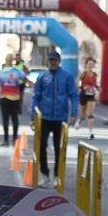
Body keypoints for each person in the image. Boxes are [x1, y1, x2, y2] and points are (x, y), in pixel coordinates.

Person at [30, 51, 78, 189]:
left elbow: (74, 95)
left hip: (60, 118)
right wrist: (33, 115)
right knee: (41, 146)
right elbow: (36, 96)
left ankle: (58, 176)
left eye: (55, 60)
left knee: (59, 148)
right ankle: (45, 175)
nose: (53, 62)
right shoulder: (43, 77)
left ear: (59, 61)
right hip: (44, 118)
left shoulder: (67, 77)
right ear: (48, 61)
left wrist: (74, 114)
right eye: (51, 60)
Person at [0, 53, 26, 145]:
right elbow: (24, 79)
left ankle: (6, 140)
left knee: (6, 119)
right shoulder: (17, 71)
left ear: (5, 60)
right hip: (14, 98)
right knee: (14, 119)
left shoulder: (0, 72)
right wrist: (19, 87)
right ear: (12, 60)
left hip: (5, 98)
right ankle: (14, 140)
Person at [78, 58, 99, 138]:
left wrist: (97, 88)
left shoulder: (95, 75)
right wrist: (80, 87)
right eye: (89, 64)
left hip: (91, 95)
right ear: (86, 65)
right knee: (82, 115)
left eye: (92, 64)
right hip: (83, 95)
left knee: (90, 114)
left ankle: (90, 133)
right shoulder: (83, 74)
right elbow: (78, 81)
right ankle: (79, 119)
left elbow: (95, 84)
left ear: (93, 65)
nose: (90, 65)